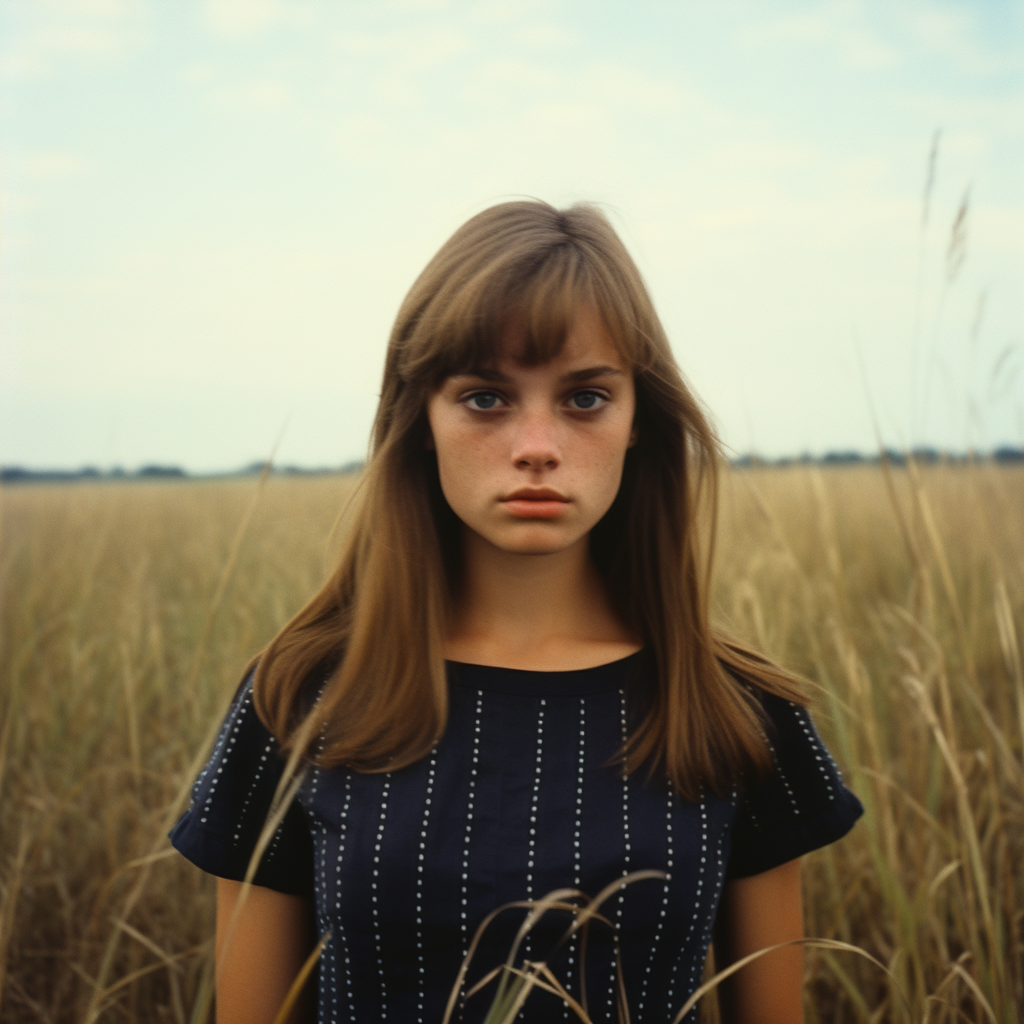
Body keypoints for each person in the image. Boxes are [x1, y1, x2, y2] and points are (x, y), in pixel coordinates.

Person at [170, 200, 863, 1024]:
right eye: (487, 399)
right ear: (420, 418)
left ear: (639, 418)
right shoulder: (299, 696)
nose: (537, 444)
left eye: (584, 398)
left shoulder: (740, 709)